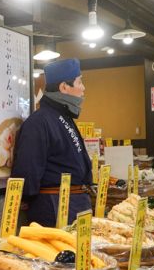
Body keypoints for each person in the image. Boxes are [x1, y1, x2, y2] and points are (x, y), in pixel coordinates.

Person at [11, 58, 93, 227]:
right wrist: (26, 197)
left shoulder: (64, 117)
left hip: (75, 205)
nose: (83, 88)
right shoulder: (38, 122)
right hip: (53, 208)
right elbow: (28, 168)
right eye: (79, 82)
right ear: (64, 87)